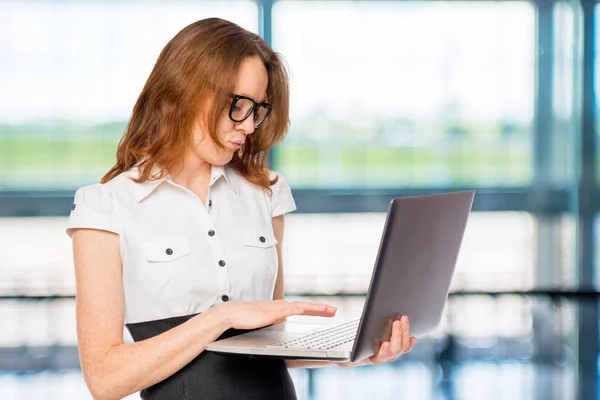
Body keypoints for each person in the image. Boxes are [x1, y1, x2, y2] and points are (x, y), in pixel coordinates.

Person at [66, 17, 416, 400]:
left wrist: (351, 353)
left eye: (258, 109)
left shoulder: (266, 192)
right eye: (238, 105)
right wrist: (219, 318)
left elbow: (272, 342)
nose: (249, 126)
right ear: (185, 91)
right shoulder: (106, 206)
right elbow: (104, 379)